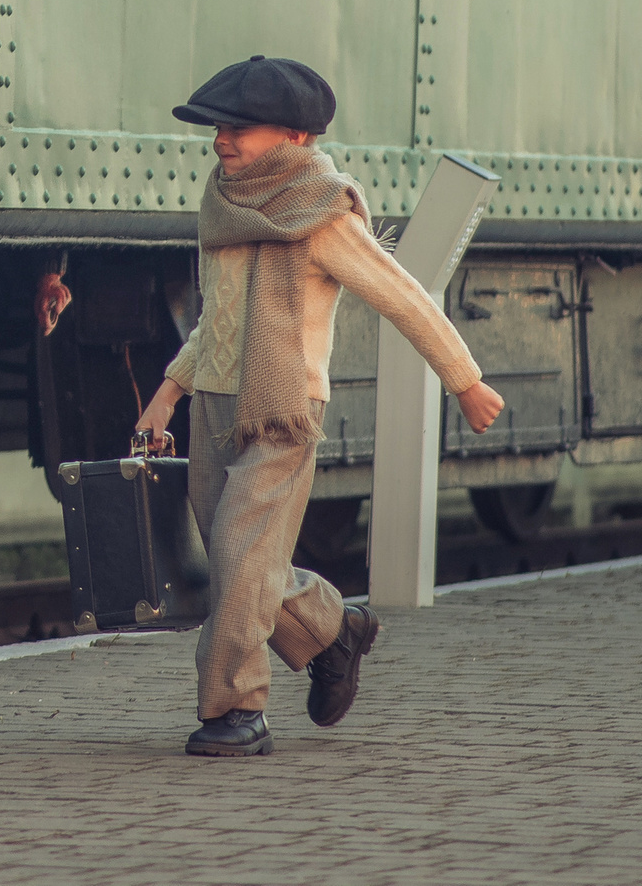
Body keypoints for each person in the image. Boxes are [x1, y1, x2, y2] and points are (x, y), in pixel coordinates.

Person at [133, 55, 506, 758]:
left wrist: (465, 378)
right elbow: (218, 320)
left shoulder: (322, 212)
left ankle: (235, 709)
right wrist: (168, 391)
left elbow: (402, 295)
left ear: (297, 137)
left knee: (243, 560)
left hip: (281, 412)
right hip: (214, 404)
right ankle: (336, 631)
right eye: (218, 125)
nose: (223, 139)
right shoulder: (224, 204)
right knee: (240, 560)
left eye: (240, 127)